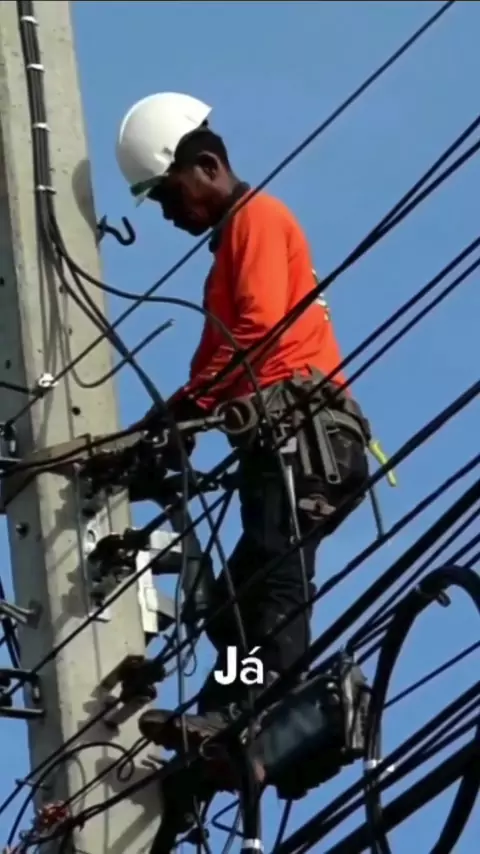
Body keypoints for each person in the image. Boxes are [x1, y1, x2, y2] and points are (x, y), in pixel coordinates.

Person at [115, 92, 370, 757]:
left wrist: (184, 414)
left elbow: (254, 331)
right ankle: (224, 719)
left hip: (303, 439)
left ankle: (262, 710)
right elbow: (215, 362)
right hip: (282, 441)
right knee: (236, 605)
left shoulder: (257, 218)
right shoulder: (229, 250)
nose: (168, 212)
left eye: (168, 194)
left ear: (207, 167)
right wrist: (168, 424)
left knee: (276, 574)